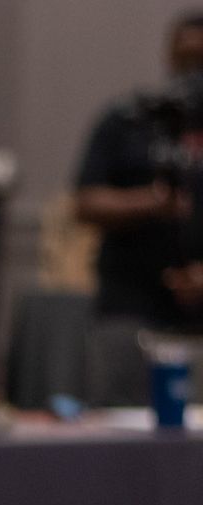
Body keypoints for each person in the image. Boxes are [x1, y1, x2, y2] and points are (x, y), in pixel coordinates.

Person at [74, 11, 203, 405]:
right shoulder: (127, 121)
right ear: (168, 57)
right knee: (121, 437)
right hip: (129, 308)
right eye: (186, 58)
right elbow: (84, 201)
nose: (193, 70)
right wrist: (150, 203)